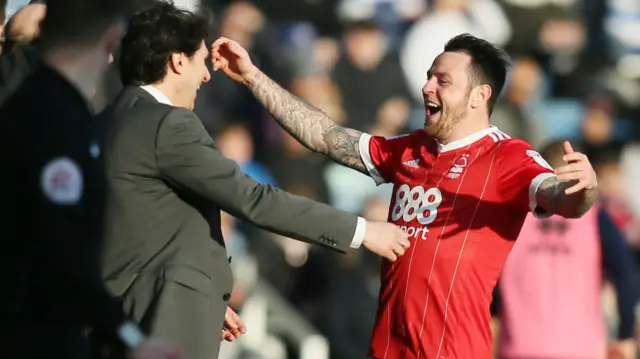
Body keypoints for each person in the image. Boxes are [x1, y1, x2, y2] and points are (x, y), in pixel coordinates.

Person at [212, 33, 599, 359]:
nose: (427, 86)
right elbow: (324, 136)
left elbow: (561, 198)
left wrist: (583, 189)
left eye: (442, 81)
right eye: (429, 76)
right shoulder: (410, 149)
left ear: (479, 96)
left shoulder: (506, 155)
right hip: (388, 348)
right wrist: (251, 77)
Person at [93, 3, 410, 359]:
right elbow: (252, 198)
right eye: (200, 61)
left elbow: (147, 226)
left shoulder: (108, 120)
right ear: (178, 62)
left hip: (126, 312)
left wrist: (203, 294)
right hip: (160, 320)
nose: (207, 76)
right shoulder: (169, 125)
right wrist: (362, 231)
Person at [0, 0, 181, 358]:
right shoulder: (56, 123)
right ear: (111, 41)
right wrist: (130, 338)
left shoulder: (38, 105)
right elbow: (62, 251)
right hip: (34, 336)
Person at [493, 140, 640, 359]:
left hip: (519, 345)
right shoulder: (596, 218)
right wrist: (625, 333)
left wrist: (493, 313)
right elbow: (625, 277)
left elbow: (489, 274)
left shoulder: (515, 216)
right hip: (579, 348)